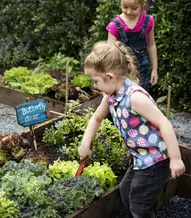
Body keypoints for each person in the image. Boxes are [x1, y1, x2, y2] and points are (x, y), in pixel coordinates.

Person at [78, 41, 185, 218]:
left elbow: (164, 123)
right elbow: (96, 118)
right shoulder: (110, 96)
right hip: (140, 157)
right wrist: (85, 143)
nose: (94, 86)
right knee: (126, 190)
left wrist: (175, 158)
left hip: (156, 159)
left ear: (110, 77)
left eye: (95, 81)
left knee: (139, 204)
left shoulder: (135, 98)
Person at [107, 0, 157, 92]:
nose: (129, 12)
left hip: (143, 71)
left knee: (140, 100)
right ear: (120, 2)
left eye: (134, 8)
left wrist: (154, 69)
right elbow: (110, 53)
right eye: (125, 7)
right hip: (122, 72)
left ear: (142, 4)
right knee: (124, 103)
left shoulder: (148, 21)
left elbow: (151, 45)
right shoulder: (115, 25)